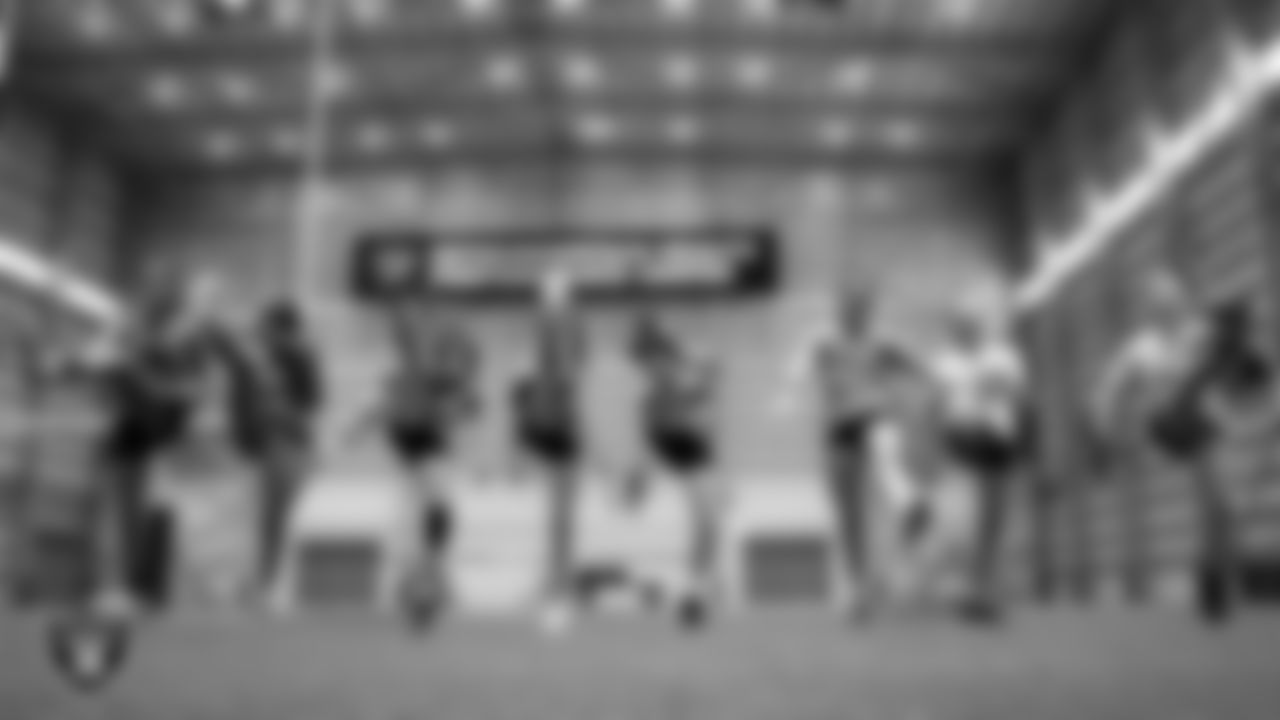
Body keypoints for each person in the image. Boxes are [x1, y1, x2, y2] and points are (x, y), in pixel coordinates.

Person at [1095, 271, 1267, 624]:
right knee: (1217, 499)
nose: (1169, 310)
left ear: (1182, 303)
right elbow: (1109, 389)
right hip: (1168, 424)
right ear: (1150, 310)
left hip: (1207, 416)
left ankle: (1212, 577)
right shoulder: (1140, 347)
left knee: (1221, 507)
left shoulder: (1199, 331)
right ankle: (1212, 580)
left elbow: (1233, 340)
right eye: (1160, 305)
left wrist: (1239, 324)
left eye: (1174, 303)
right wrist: (1103, 433)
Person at [348, 309, 479, 629]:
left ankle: (428, 588)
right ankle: (418, 592)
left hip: (428, 457)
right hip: (412, 460)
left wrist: (457, 406)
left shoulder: (432, 375)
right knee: (416, 526)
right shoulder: (407, 376)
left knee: (432, 520)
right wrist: (358, 429)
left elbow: (466, 402)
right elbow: (384, 408)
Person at [926, 285, 1028, 624]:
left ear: (980, 325)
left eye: (972, 322)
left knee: (994, 520)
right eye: (960, 322)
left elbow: (1016, 397)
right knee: (965, 519)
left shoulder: (1003, 356)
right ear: (955, 327)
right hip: (962, 441)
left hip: (998, 441)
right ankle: (968, 588)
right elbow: (937, 407)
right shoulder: (944, 363)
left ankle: (986, 589)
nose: (966, 327)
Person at [221, 300, 325, 602]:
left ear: (281, 329)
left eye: (266, 326)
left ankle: (267, 583)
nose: (259, 332)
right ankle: (263, 581)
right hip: (275, 444)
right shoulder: (271, 357)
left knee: (272, 518)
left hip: (285, 444)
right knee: (267, 518)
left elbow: (307, 405)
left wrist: (278, 411)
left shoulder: (294, 356)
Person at [631, 311, 721, 629]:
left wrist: (707, 378)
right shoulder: (655, 389)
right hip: (678, 445)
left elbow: (695, 396)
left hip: (686, 445)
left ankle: (695, 589)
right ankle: (692, 589)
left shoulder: (668, 378)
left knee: (707, 520)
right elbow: (683, 399)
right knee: (705, 519)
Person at [812, 289, 894, 621]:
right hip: (842, 432)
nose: (854, 315)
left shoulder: (880, 348)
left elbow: (886, 389)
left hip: (870, 429)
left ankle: (871, 582)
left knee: (871, 510)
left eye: (860, 310)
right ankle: (857, 584)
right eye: (849, 310)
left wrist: (873, 400)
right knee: (849, 515)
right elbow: (831, 386)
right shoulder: (828, 347)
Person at [513, 270, 587, 634]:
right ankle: (556, 596)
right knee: (562, 515)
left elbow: (535, 376)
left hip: (544, 420)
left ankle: (553, 592)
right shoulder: (565, 322)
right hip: (556, 421)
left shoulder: (541, 322)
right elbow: (568, 372)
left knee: (556, 514)